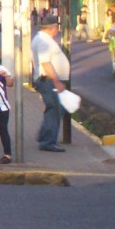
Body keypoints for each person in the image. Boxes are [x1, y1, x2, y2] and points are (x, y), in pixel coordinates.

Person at [31, 16, 70, 152]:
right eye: (56, 27)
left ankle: (44, 135)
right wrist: (57, 82)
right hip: (48, 80)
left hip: (48, 80)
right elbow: (46, 63)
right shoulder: (43, 41)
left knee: (56, 108)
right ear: (53, 28)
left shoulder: (44, 39)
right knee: (55, 109)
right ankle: (47, 141)